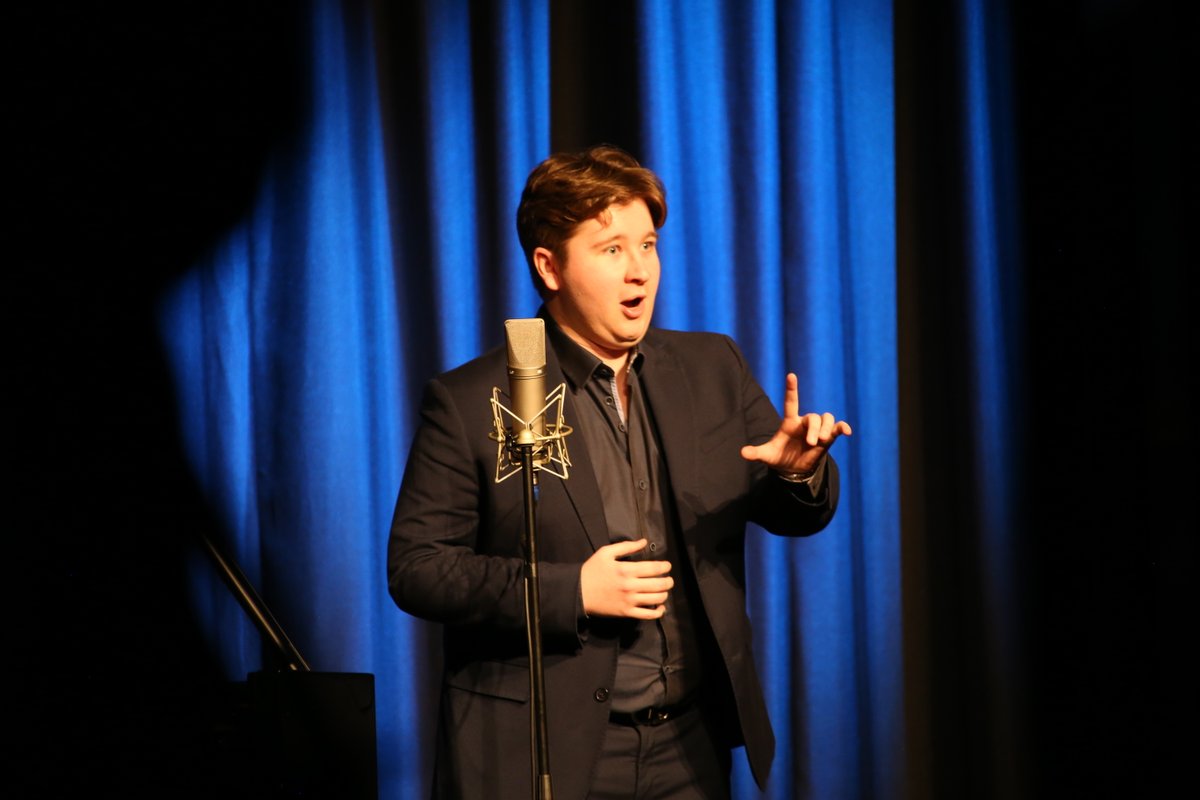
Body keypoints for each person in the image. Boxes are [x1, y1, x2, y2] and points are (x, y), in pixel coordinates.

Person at [388, 144, 852, 799]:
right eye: (611, 251)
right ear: (549, 267)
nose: (639, 272)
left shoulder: (712, 369)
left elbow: (795, 513)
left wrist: (801, 475)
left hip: (689, 747)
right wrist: (572, 590)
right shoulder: (474, 399)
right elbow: (418, 569)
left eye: (649, 245)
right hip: (549, 750)